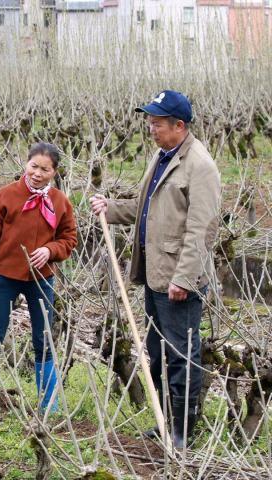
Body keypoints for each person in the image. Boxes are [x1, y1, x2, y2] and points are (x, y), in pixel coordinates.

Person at [90, 90, 221, 448]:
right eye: (150, 121)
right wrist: (110, 207)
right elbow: (146, 208)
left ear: (179, 126)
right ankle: (165, 421)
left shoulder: (200, 166)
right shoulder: (162, 157)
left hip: (178, 279)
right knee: (158, 350)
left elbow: (202, 230)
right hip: (155, 274)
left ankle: (182, 431)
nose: (151, 127)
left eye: (158, 123)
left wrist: (184, 278)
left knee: (181, 356)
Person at [0, 142, 78, 417]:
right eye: (34, 166)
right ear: (25, 164)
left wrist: (50, 250)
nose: (38, 173)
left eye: (45, 169)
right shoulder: (6, 196)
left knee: (44, 339)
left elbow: (69, 239)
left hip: (41, 279)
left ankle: (48, 404)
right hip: (3, 278)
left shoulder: (60, 202)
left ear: (54, 172)